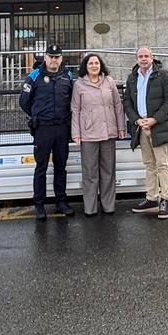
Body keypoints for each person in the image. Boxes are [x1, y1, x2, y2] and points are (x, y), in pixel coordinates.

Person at [18, 44, 75, 220]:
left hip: (62, 128)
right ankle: (40, 205)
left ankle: (61, 202)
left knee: (60, 167)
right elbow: (23, 102)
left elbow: (72, 99)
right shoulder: (34, 76)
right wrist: (37, 115)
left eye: (57, 57)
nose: (54, 60)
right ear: (45, 57)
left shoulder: (68, 75)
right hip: (42, 128)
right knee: (41, 167)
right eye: (50, 56)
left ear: (61, 58)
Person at [123, 46, 168, 220]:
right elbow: (127, 103)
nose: (143, 59)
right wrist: (137, 120)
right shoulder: (132, 78)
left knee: (162, 164)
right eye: (140, 56)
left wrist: (155, 119)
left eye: (146, 56)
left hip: (157, 126)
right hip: (141, 126)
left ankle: (165, 200)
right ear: (136, 59)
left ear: (152, 58)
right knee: (149, 165)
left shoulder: (163, 75)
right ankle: (151, 198)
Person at [70, 53, 125, 216]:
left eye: (96, 63)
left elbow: (117, 105)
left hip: (109, 133)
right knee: (90, 173)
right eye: (90, 63)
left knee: (108, 172)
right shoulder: (79, 85)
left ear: (101, 65)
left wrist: (121, 127)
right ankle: (90, 208)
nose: (94, 66)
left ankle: (108, 206)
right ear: (85, 67)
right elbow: (75, 110)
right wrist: (76, 133)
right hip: (88, 135)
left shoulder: (109, 81)